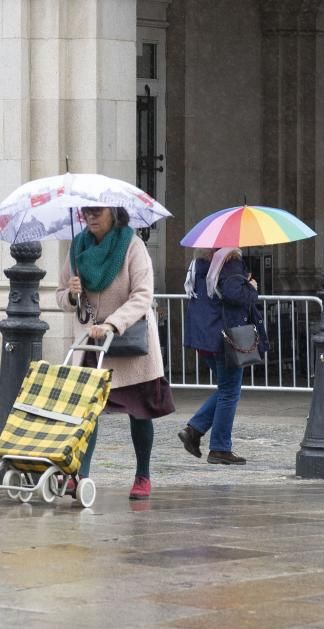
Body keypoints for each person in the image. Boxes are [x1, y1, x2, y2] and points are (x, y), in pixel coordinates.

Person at [56, 206, 173, 500]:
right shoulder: (77, 246)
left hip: (128, 340)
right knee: (87, 412)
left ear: (114, 214)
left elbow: (143, 295)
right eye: (87, 212)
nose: (91, 217)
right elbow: (60, 296)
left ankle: (143, 475)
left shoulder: (132, 245)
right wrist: (72, 293)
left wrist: (112, 323)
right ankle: (80, 475)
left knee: (140, 411)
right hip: (91, 343)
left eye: (97, 212)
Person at [178, 247, 267, 464]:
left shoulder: (198, 265)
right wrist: (251, 288)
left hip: (204, 336)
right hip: (224, 337)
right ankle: (219, 447)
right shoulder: (230, 263)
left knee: (226, 389)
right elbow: (234, 294)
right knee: (229, 392)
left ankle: (195, 430)